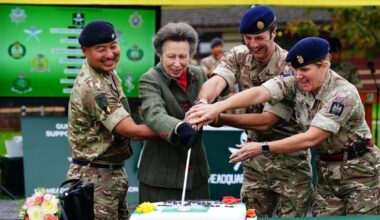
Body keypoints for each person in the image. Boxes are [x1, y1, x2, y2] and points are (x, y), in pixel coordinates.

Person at [188, 37, 380, 216]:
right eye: (296, 69)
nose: (298, 76)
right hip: (327, 172)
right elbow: (260, 93)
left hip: (360, 174)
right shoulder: (295, 82)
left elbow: (311, 138)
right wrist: (217, 107)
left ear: (325, 65)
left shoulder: (342, 94)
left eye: (305, 69)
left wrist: (262, 148)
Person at [188, 6, 313, 217]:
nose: (253, 45)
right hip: (255, 162)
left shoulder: (290, 66)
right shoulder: (239, 54)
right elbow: (218, 80)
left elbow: (267, 121)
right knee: (251, 217)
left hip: (290, 163)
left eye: (259, 38)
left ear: (273, 33)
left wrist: (220, 117)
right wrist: (203, 103)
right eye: (248, 38)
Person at [66, 20, 156, 220]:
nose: (109, 54)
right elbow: (129, 130)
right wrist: (172, 128)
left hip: (111, 174)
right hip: (95, 180)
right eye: (101, 49)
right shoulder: (93, 86)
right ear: (84, 51)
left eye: (113, 46)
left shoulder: (108, 74)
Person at [137, 22, 210, 203]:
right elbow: (154, 114)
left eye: (183, 57)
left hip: (197, 177)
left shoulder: (200, 74)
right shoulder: (150, 79)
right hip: (160, 179)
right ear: (160, 55)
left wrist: (213, 114)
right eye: (170, 57)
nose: (177, 63)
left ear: (190, 55)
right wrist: (179, 127)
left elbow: (214, 105)